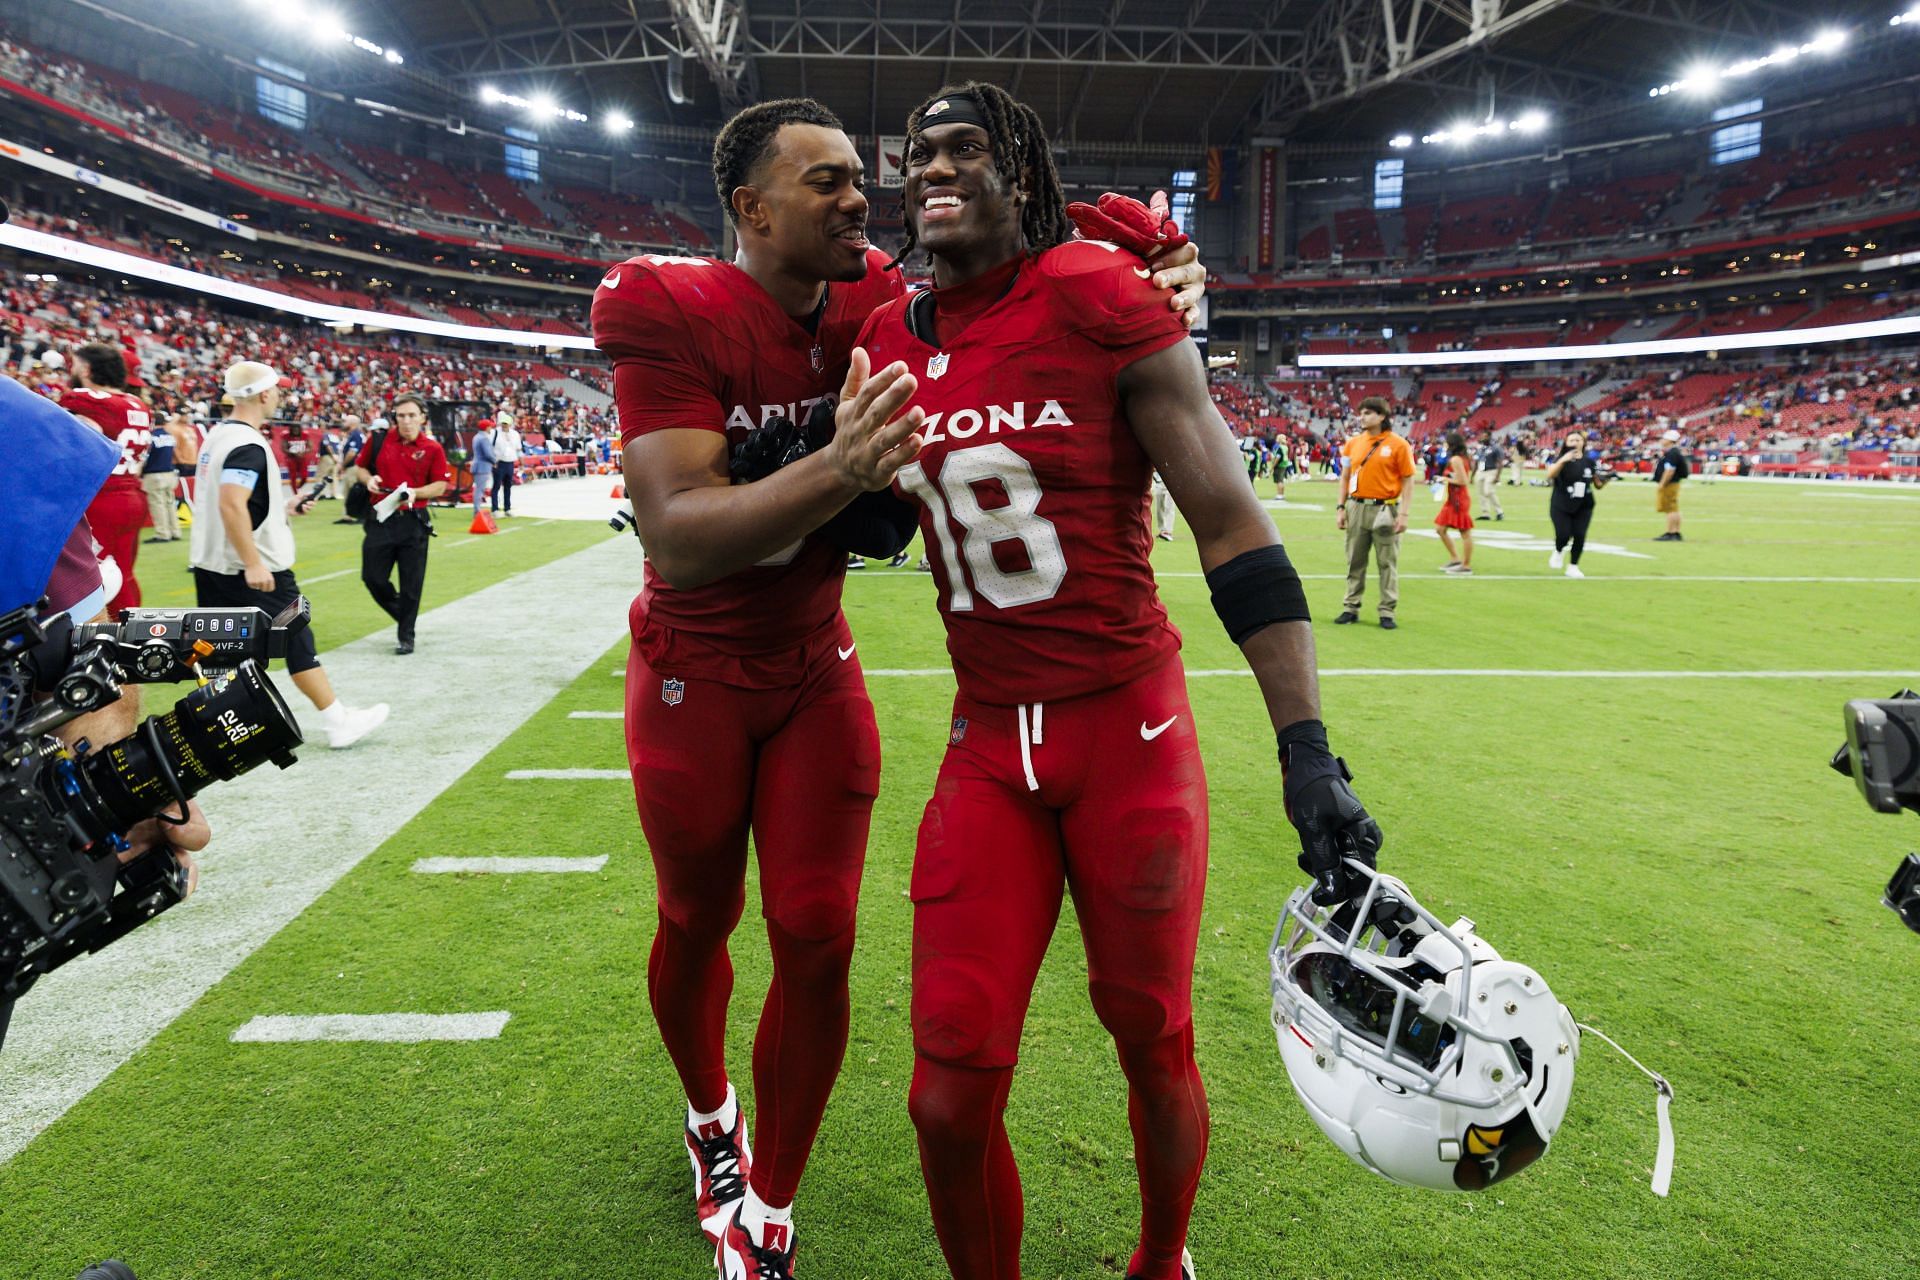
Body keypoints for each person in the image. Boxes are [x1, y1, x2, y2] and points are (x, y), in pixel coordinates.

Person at [592, 95, 1207, 1280]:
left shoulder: (876, 298)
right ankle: (712, 1115)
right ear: (749, 205)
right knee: (695, 917)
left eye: (856, 179)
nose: (858, 198)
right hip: (695, 669)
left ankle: (768, 1198)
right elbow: (677, 538)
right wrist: (840, 464)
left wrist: (1159, 260)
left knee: (818, 934)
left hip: (816, 659)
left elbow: (1011, 239)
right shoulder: (663, 303)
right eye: (823, 180)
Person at [859, 82, 1381, 1280]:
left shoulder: (1096, 297)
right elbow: (887, 505)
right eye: (919, 153)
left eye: (964, 149)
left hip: (1125, 728)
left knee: (1149, 1031)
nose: (932, 169)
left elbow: (1233, 528)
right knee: (946, 1089)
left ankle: (1162, 1258)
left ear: (1022, 176)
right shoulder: (888, 334)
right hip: (987, 740)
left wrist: (1307, 747)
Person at [192, 362, 389, 746]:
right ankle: (337, 721)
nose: (280, 396)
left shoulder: (218, 435)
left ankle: (221, 731)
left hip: (213, 563)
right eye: (277, 390)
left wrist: (285, 507)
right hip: (248, 566)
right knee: (298, 638)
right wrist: (252, 561)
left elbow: (237, 502)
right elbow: (232, 504)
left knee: (222, 653)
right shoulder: (246, 443)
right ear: (264, 394)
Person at [344, 393, 449, 655]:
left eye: (412, 415)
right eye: (401, 416)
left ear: (423, 417)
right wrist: (368, 480)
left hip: (414, 520)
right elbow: (360, 468)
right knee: (372, 577)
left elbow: (440, 485)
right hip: (380, 518)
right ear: (395, 418)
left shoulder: (433, 448)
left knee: (411, 583)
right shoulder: (379, 439)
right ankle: (406, 617)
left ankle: (406, 636)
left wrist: (416, 492)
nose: (406, 421)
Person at [56, 343, 152, 615]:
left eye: (75, 364)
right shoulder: (138, 405)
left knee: (95, 579)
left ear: (86, 368)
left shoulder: (84, 399)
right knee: (124, 574)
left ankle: (110, 642)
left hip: (101, 498)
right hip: (132, 493)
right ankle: (133, 632)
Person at [1333, 396, 1416, 629]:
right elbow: (1345, 477)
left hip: (1386, 507)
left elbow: (1408, 480)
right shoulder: (1352, 444)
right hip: (1356, 505)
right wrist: (1340, 507)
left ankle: (1387, 610)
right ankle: (1351, 606)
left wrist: (1404, 514)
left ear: (1382, 416)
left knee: (1387, 562)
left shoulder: (1399, 444)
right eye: (1361, 412)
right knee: (1354, 560)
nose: (1362, 417)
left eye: (1368, 413)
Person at [1545, 429, 1607, 579]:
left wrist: (1606, 479)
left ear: (1583, 443)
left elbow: (1597, 484)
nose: (1575, 443)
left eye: (1578, 440)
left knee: (1580, 535)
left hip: (1584, 504)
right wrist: (1563, 460)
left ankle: (1573, 566)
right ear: (1566, 443)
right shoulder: (1558, 459)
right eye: (1571, 440)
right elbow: (1550, 475)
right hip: (1561, 503)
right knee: (1563, 534)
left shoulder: (1589, 461)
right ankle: (1559, 550)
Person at [1434, 430, 1475, 574]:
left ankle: (1466, 565)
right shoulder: (1461, 458)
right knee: (1440, 529)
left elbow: (1464, 481)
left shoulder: (1456, 459)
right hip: (1454, 498)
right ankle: (1455, 558)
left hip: (1458, 499)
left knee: (1465, 532)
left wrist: (1444, 479)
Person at [140, 409, 181, 543]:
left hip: (154, 474)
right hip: (169, 473)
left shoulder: (150, 437)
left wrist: (138, 470)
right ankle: (175, 531)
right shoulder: (169, 436)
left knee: (158, 504)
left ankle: (163, 533)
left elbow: (144, 456)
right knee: (169, 503)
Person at [1653, 427, 1688, 541]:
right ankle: (1676, 532)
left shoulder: (1672, 453)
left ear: (1670, 440)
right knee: (1674, 508)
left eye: (1664, 438)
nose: (1662, 440)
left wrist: (1662, 484)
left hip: (1670, 484)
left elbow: (1669, 471)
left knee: (1670, 508)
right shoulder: (1674, 452)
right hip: (1674, 483)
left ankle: (1671, 532)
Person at [489, 410, 521, 516]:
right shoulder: (495, 433)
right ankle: (495, 508)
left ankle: (507, 508)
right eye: (503, 423)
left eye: (506, 424)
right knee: (496, 486)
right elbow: (490, 447)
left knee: (508, 486)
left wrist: (521, 461)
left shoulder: (515, 434)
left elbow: (518, 448)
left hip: (510, 462)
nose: (504, 426)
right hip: (499, 462)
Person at [469, 415, 497, 513]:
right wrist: (495, 461)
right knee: (479, 490)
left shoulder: (477, 437)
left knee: (478, 489)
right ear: (486, 427)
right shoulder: (483, 438)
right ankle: (477, 511)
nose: (491, 428)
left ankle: (477, 509)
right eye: (490, 426)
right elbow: (488, 454)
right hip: (483, 467)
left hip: (477, 465)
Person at [1476, 434, 1505, 520]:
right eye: (1482, 436)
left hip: (1491, 471)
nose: (1483, 438)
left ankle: (1499, 512)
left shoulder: (1496, 448)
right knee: (1481, 493)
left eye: (1485, 436)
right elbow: (1478, 460)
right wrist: (1473, 475)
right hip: (1481, 471)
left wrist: (1498, 476)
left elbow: (1500, 462)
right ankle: (1485, 513)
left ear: (1489, 437)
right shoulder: (1481, 448)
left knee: (1488, 491)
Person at [1150, 469, 1177, 541]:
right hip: (1159, 483)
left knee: (1169, 508)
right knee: (1159, 508)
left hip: (1170, 482)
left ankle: (1168, 532)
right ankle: (1162, 530)